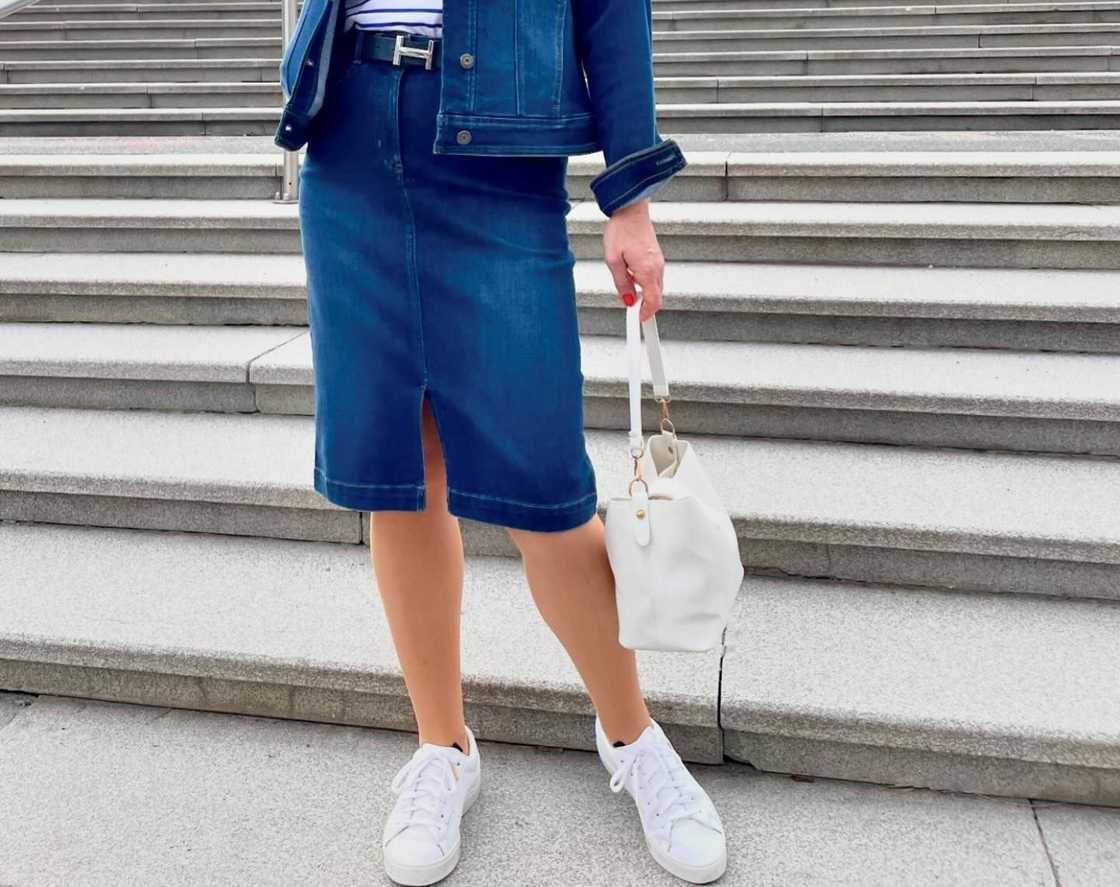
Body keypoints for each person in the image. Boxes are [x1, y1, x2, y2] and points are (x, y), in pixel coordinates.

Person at [275, 0, 727, 883]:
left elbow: (611, 12)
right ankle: (441, 747)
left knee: (544, 487)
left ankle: (632, 736)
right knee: (401, 473)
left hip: (501, 150)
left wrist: (631, 199)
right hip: (352, 137)